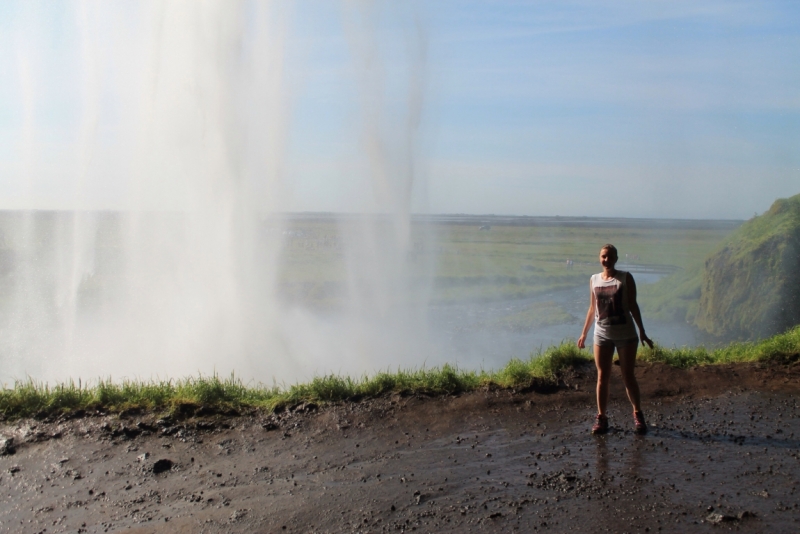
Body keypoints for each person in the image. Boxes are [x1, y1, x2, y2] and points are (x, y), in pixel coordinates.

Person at [577, 244, 653, 435]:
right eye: (603, 256)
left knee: (628, 376)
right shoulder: (594, 279)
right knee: (603, 376)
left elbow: (633, 305)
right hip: (602, 335)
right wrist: (584, 333)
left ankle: (638, 414)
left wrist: (642, 331)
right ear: (599, 258)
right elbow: (592, 308)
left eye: (610, 257)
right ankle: (601, 418)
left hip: (626, 335)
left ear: (616, 258)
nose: (606, 260)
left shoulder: (625, 278)